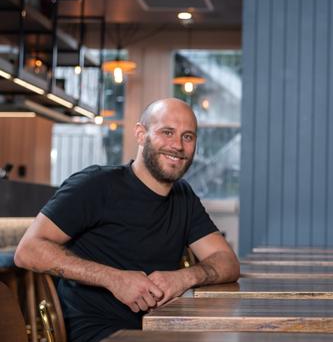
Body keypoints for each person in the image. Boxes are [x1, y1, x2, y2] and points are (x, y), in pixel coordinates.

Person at [14, 98, 240, 342]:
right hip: (96, 332)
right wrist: (114, 279)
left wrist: (183, 278)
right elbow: (27, 250)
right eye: (167, 132)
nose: (177, 145)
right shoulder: (95, 184)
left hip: (160, 329)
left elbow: (228, 262)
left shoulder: (183, 196)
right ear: (141, 134)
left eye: (188, 137)